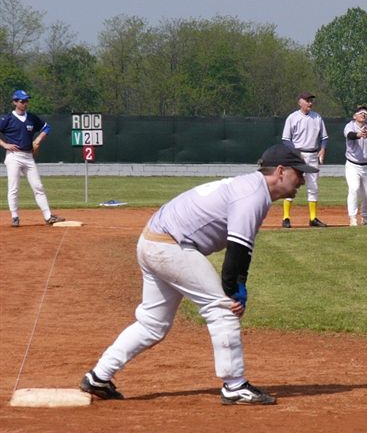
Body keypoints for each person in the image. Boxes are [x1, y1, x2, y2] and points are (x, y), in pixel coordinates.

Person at [80, 144, 317, 404]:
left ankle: (98, 376)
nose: (303, 180)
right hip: (169, 245)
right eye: (299, 173)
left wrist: (238, 286)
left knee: (152, 323)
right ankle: (234, 385)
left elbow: (241, 252)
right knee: (223, 310)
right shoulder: (253, 194)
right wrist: (234, 293)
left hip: (153, 240)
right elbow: (236, 252)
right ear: (281, 171)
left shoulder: (251, 188)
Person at [0, 90, 65, 227]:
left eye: (26, 100)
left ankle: (48, 217)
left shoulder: (31, 118)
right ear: (15, 102)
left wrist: (38, 140)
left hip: (28, 156)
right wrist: (4, 144)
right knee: (13, 188)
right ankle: (15, 217)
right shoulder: (7, 119)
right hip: (14, 157)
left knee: (38, 186)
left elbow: (47, 127)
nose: (25, 103)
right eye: (22, 101)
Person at [281, 91, 329, 228]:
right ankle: (286, 218)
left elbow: (324, 137)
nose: (310, 103)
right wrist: (295, 152)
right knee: (290, 185)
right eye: (307, 100)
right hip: (297, 156)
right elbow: (286, 139)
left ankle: (313, 218)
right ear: (300, 102)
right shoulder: (292, 117)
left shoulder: (317, 117)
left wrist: (323, 149)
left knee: (313, 186)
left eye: (311, 100)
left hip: (313, 154)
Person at [343, 105, 367, 226]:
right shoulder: (350, 126)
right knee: (354, 188)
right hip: (352, 165)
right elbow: (349, 135)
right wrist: (359, 134)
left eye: (365, 113)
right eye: (360, 113)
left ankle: (364, 217)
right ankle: (353, 217)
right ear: (354, 116)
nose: (363, 114)